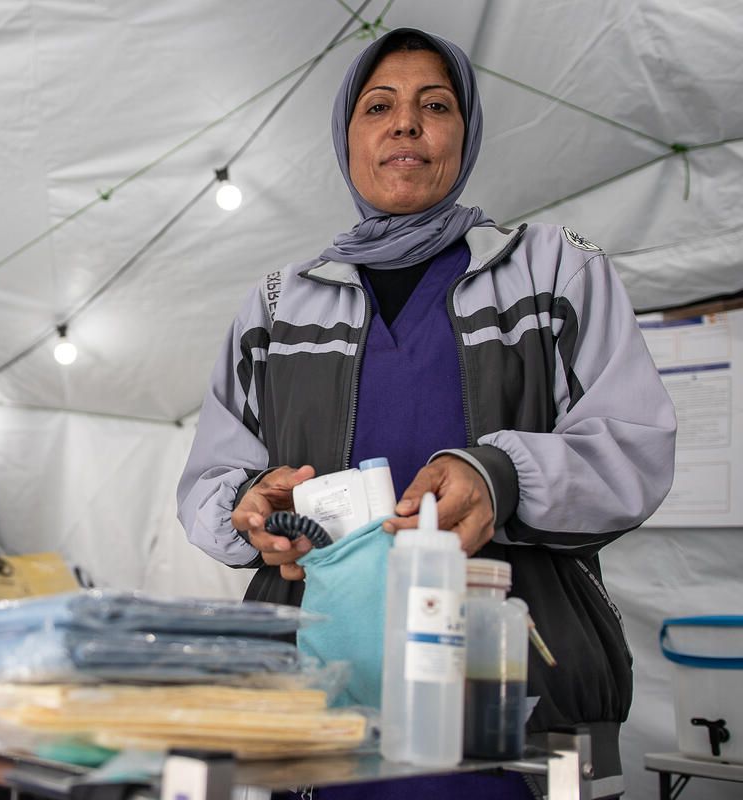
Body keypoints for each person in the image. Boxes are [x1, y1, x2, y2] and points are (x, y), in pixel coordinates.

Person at [177, 26, 676, 798]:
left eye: (433, 105)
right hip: (317, 714)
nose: (405, 123)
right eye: (378, 106)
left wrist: (500, 475)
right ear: (347, 139)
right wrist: (249, 506)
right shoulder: (274, 307)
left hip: (521, 714)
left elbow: (633, 446)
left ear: (464, 136)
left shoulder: (552, 269)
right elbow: (211, 478)